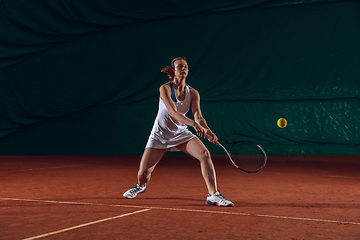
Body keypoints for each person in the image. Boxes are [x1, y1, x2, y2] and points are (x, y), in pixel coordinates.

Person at [123, 57, 233, 207]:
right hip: (159, 135)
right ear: (173, 70)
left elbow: (198, 116)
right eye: (180, 66)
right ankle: (140, 187)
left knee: (205, 154)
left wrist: (208, 131)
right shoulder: (165, 89)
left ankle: (213, 195)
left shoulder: (193, 93)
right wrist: (194, 125)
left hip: (181, 134)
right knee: (143, 174)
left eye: (186, 66)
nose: (183, 68)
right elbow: (174, 113)